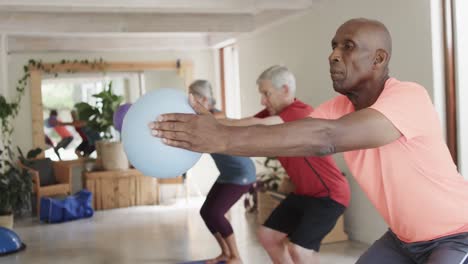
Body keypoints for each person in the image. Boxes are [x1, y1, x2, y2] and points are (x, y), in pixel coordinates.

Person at [150, 18, 468, 263]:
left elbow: (326, 137)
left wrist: (221, 137)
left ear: (379, 59)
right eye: (333, 46)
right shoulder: (336, 109)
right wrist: (215, 129)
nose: (333, 55)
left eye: (348, 46)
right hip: (402, 239)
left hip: (456, 234)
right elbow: (286, 137)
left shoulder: (409, 97)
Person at [216, 66, 350, 264]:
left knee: (300, 249)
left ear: (285, 90)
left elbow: (256, 126)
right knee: (268, 236)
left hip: (329, 196)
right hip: (305, 195)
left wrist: (213, 128)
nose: (263, 100)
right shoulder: (274, 113)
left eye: (266, 94)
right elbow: (241, 122)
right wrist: (206, 119)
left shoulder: (299, 113)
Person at [189, 80, 256, 264]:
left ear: (202, 98)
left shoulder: (217, 116)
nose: (189, 101)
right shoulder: (204, 118)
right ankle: (226, 253)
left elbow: (208, 124)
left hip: (241, 173)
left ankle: (236, 256)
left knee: (216, 213)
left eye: (192, 96)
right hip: (227, 174)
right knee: (206, 212)